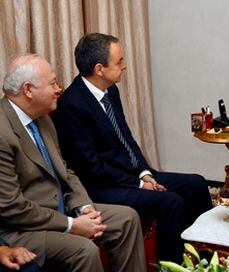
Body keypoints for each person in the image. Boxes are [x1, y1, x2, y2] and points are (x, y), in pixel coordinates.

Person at [52, 33, 213, 262]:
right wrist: (139, 184)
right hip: (101, 186)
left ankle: (204, 256)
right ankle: (173, 265)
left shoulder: (110, 90)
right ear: (99, 68)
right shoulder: (72, 105)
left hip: (130, 174)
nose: (124, 65)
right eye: (119, 61)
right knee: (171, 202)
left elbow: (126, 137)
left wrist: (145, 173)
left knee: (196, 183)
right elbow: (91, 168)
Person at [0, 54, 147, 272]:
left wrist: (84, 207)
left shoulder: (43, 118)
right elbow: (13, 208)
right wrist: (71, 225)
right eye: (52, 84)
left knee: (127, 218)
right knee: (84, 250)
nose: (59, 89)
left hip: (63, 208)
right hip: (25, 228)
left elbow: (64, 171)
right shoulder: (3, 134)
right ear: (28, 90)